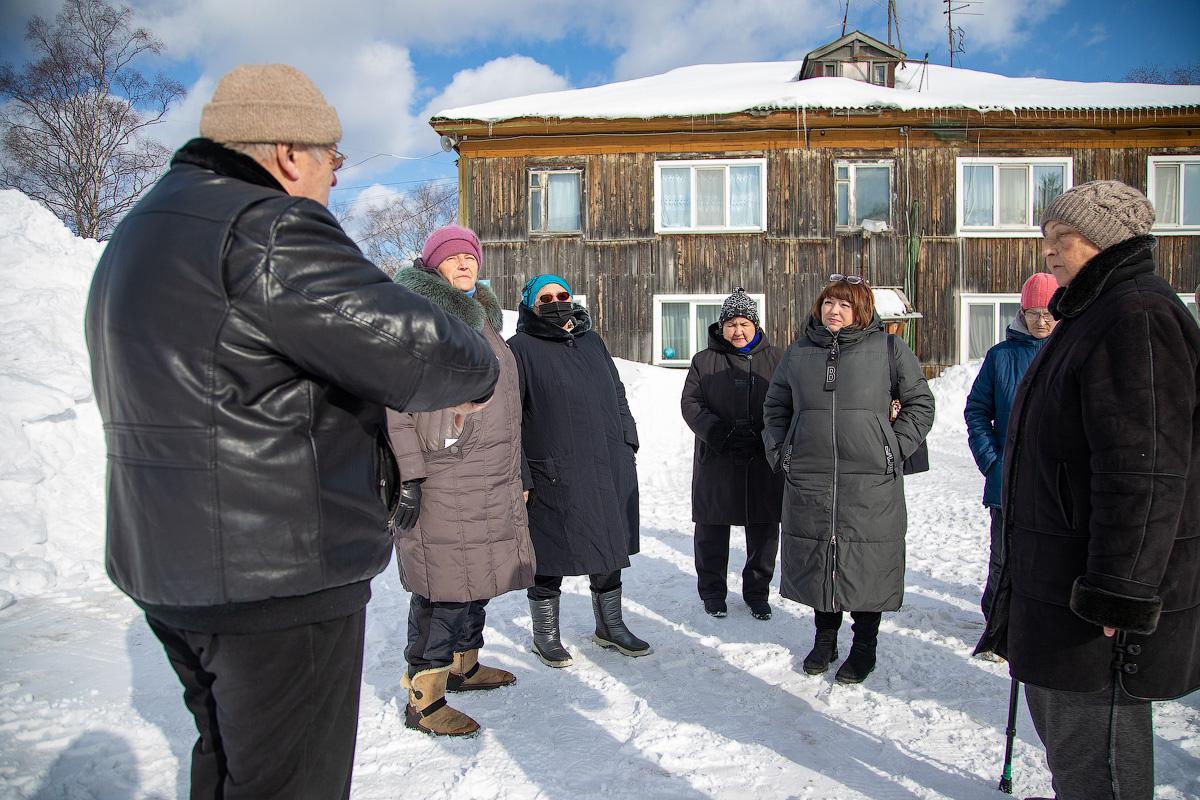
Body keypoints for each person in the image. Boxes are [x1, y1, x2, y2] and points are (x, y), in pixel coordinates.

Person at [84, 65, 499, 799]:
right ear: (287, 153)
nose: (335, 181)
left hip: (168, 566)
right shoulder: (268, 228)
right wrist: (474, 361)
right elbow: (425, 349)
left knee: (229, 770)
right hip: (276, 570)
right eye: (332, 161)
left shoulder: (141, 231)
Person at [975, 181, 1200, 800]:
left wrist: (1119, 591)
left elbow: (1146, 468)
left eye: (1061, 240)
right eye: (1046, 240)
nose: (1047, 254)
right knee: (1072, 752)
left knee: (1097, 760)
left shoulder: (1138, 316)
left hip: (1090, 600)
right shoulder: (1093, 313)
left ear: (1105, 241)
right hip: (1058, 580)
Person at [386, 224, 536, 737]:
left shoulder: (484, 323)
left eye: (470, 255)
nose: (464, 263)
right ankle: (423, 699)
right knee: (444, 584)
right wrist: (410, 476)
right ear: (432, 267)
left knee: (478, 579)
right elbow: (396, 406)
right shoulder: (421, 322)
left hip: (490, 477)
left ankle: (463, 666)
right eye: (452, 257)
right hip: (445, 477)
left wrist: (519, 472)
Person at [763, 275, 934, 684]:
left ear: (862, 311)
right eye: (828, 303)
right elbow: (775, 407)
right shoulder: (799, 352)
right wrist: (784, 453)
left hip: (870, 480)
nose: (834, 311)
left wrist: (892, 448)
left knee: (865, 561)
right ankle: (824, 641)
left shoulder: (890, 349)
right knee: (823, 557)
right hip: (812, 477)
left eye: (844, 304)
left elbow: (920, 403)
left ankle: (864, 647)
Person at [508, 274, 652, 667]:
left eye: (562, 294)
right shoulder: (519, 348)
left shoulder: (592, 342)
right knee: (549, 551)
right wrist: (521, 472)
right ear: (530, 304)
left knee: (608, 543)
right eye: (545, 297)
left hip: (607, 461)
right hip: (553, 468)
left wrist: (628, 438)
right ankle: (546, 634)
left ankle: (610, 625)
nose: (555, 301)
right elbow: (509, 419)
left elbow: (617, 392)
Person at [964, 272, 1058, 642]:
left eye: (1049, 311)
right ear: (1022, 313)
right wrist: (992, 460)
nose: (1042, 320)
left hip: (1055, 482)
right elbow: (976, 410)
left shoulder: (1070, 351)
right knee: (1003, 557)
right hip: (1008, 480)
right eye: (1033, 312)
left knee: (1051, 557)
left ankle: (1042, 625)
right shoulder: (1001, 357)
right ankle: (998, 627)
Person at [681, 288, 784, 620]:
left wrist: (765, 436)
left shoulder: (778, 360)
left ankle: (757, 592)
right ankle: (712, 591)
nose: (738, 331)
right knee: (712, 528)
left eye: (744, 323)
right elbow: (691, 404)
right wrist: (719, 433)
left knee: (764, 530)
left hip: (762, 457)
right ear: (721, 326)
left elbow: (788, 404)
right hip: (717, 457)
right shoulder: (704, 360)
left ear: (755, 325)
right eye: (731, 324)